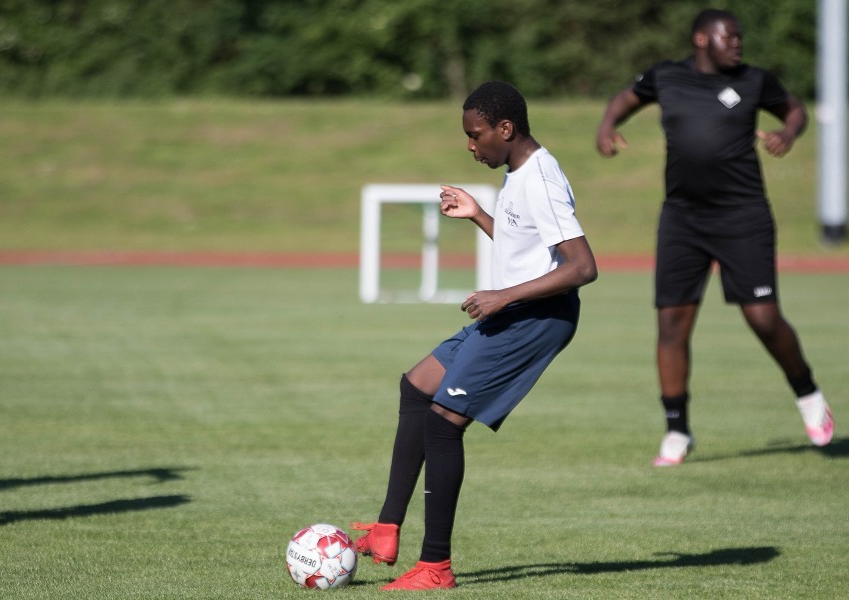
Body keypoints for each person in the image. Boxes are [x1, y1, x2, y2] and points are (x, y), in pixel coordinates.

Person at [352, 80, 597, 590]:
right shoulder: (518, 173)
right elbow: (528, 248)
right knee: (417, 385)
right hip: (516, 311)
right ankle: (385, 530)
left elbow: (582, 267)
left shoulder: (541, 178)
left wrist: (503, 296)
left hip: (536, 319)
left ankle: (435, 567)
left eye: (475, 134)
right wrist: (479, 215)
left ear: (505, 129)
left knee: (443, 423)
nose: (470, 145)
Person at [595, 8, 834, 467]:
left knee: (763, 318)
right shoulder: (666, 76)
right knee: (671, 325)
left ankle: (808, 394)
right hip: (682, 218)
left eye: (740, 37)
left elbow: (795, 109)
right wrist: (607, 127)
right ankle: (677, 430)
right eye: (730, 37)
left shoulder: (754, 80)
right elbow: (624, 98)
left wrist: (787, 133)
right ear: (702, 39)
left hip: (742, 217)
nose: (738, 44)